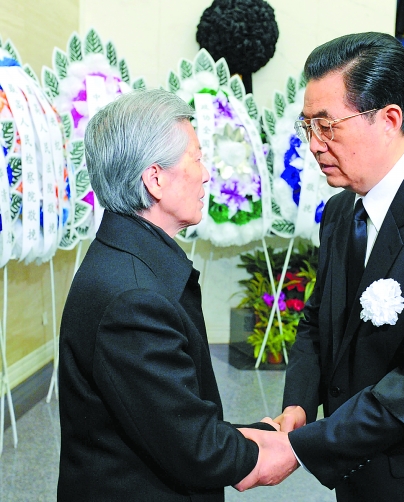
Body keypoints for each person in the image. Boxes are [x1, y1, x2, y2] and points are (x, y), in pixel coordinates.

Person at [236, 32, 404, 501]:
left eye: (327, 126)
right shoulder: (342, 210)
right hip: (359, 472)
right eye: (307, 127)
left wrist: (298, 449)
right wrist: (299, 405)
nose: (314, 145)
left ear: (389, 119)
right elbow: (318, 322)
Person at [57, 89, 276, 501]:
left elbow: (166, 415)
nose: (206, 175)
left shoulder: (127, 261)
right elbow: (193, 447)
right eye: (196, 158)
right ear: (155, 178)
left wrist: (257, 434)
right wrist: (273, 451)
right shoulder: (133, 299)